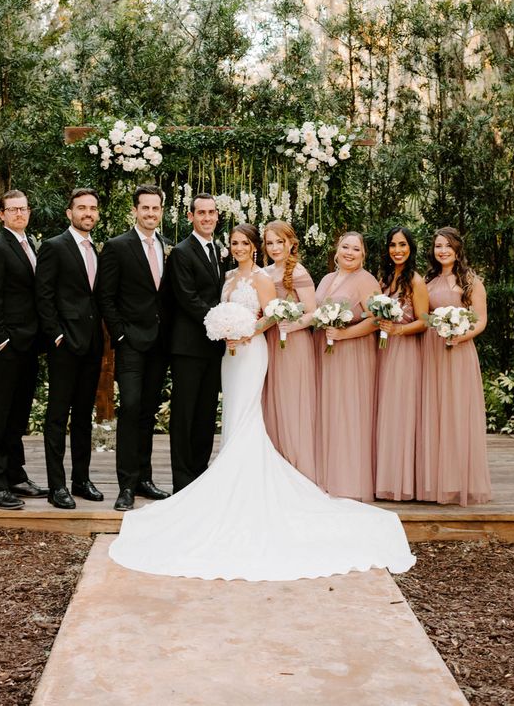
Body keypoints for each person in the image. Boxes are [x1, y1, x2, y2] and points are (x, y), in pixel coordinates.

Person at [108, 222, 415, 581]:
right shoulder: (228, 279)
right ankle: (229, 470)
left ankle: (245, 475)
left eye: (248, 243)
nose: (242, 247)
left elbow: (272, 315)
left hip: (253, 350)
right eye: (236, 242)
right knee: (239, 412)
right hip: (230, 353)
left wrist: (246, 332)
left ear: (256, 246)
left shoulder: (267, 278)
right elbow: (221, 310)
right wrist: (225, 331)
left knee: (249, 411)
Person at [97, 184, 171, 512]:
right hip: (131, 344)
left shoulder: (169, 247)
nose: (151, 213)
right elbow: (105, 296)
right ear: (135, 210)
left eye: (156, 208)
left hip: (160, 343)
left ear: (161, 211)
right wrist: (120, 335)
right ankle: (125, 485)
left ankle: (144, 478)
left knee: (147, 412)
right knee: (129, 408)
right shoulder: (117, 247)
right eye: (145, 208)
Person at [35, 187, 104, 509]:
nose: (87, 213)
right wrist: (56, 336)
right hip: (64, 345)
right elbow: (43, 296)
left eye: (92, 208)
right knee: (57, 416)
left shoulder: (96, 249)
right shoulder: (54, 247)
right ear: (69, 213)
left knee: (83, 417)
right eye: (81, 208)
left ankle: (81, 479)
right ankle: (57, 486)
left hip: (91, 345)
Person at [0, 189, 48, 510]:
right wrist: (0, 340)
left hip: (28, 345)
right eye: (12, 209)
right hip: (6, 347)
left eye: (23, 209)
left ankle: (15, 475)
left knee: (18, 414)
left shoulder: (28, 244)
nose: (19, 214)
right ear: (1, 214)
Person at [417, 226, 491, 506]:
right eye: (438, 246)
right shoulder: (428, 280)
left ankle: (459, 481)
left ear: (457, 249)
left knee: (457, 412)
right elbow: (423, 314)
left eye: (447, 245)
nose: (443, 250)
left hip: (458, 350)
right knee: (433, 412)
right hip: (431, 350)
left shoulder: (471, 281)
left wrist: (460, 335)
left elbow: (480, 320)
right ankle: (434, 482)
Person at [313, 231, 380, 501]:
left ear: (363, 254)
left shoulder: (366, 280)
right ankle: (329, 475)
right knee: (330, 411)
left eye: (355, 249)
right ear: (336, 249)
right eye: (345, 247)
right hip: (326, 351)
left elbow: (375, 319)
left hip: (353, 352)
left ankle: (351, 479)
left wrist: (344, 334)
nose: (349, 252)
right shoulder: (328, 278)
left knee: (350, 412)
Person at [167, 193, 225, 493]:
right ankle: (182, 480)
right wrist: (223, 321)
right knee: (185, 414)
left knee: (205, 413)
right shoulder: (181, 252)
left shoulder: (217, 249)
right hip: (188, 347)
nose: (207, 217)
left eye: (211, 212)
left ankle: (200, 474)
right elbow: (188, 299)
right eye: (200, 213)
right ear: (190, 217)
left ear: (217, 215)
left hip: (213, 347)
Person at [261, 221, 318, 482]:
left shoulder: (299, 272)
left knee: (291, 403)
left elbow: (313, 312)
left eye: (279, 242)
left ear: (291, 243)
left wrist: (292, 326)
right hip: (268, 342)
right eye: (270, 242)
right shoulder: (264, 272)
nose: (274, 247)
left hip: (292, 344)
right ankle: (275, 467)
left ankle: (297, 471)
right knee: (272, 402)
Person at [374, 226, 428, 502]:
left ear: (411, 248)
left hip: (404, 351)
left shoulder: (415, 281)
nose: (397, 250)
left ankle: (402, 482)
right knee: (385, 412)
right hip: (382, 352)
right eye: (393, 245)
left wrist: (398, 330)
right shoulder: (383, 278)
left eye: (403, 245)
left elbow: (424, 321)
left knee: (401, 413)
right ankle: (384, 477)